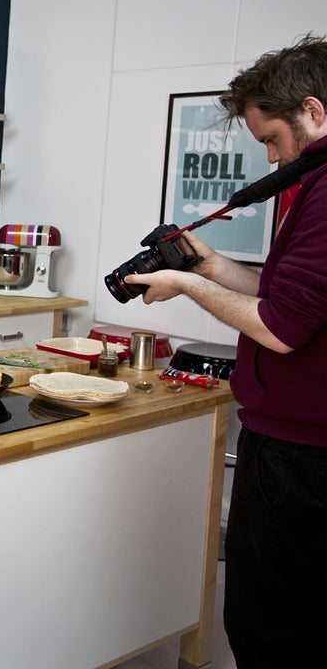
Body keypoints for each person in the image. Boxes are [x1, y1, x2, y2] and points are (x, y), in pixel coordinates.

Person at [126, 34, 327, 668]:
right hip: (296, 447)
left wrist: (183, 283)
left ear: (314, 114)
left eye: (272, 140)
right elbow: (286, 292)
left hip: (303, 460)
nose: (270, 157)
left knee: (270, 628)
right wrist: (210, 265)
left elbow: (281, 327)